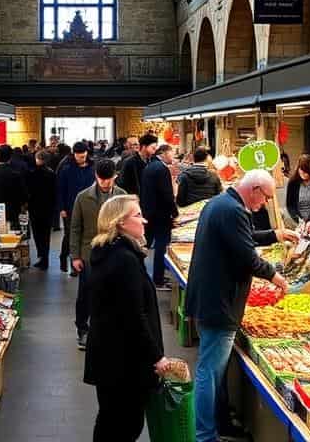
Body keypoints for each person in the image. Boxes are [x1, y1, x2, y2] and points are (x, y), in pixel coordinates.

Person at [186, 170, 297, 442]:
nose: (264, 203)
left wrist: (274, 234)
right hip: (220, 303)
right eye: (266, 197)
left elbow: (240, 237)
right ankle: (205, 435)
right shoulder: (234, 210)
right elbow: (247, 256)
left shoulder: (220, 203)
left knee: (213, 372)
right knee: (209, 373)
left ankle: (217, 426)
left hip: (208, 298)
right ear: (255, 189)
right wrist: (276, 277)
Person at [84, 195, 171, 441]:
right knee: (126, 424)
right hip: (124, 362)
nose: (144, 220)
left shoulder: (106, 252)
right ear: (120, 222)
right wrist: (156, 356)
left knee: (109, 420)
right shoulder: (124, 260)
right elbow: (134, 315)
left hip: (109, 356)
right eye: (137, 215)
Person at [70, 159, 126, 349]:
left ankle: (107, 329)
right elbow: (75, 228)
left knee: (112, 293)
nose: (105, 183)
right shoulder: (82, 197)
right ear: (96, 176)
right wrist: (75, 256)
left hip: (115, 252)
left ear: (115, 177)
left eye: (108, 179)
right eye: (101, 179)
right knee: (86, 293)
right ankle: (83, 329)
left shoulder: (122, 196)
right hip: (89, 253)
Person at [141, 143, 178, 288]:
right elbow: (167, 194)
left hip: (149, 212)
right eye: (171, 153)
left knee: (145, 244)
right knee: (161, 246)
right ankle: (158, 279)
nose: (173, 156)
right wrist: (174, 213)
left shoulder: (150, 166)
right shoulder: (162, 169)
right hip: (161, 214)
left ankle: (139, 275)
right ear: (163, 153)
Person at [58, 141, 95, 274]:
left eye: (84, 156)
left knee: (85, 235)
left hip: (89, 207)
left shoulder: (93, 168)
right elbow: (60, 190)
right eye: (79, 156)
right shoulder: (66, 169)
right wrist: (61, 208)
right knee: (70, 235)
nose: (82, 158)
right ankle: (65, 258)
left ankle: (79, 264)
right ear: (74, 155)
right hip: (70, 208)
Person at [27, 150, 56, 269]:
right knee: (46, 235)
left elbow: (28, 191)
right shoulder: (52, 174)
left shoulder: (31, 173)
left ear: (37, 159)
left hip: (34, 208)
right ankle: (45, 258)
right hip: (48, 209)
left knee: (37, 234)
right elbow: (54, 192)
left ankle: (41, 256)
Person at [286, 154, 310, 234]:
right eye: (301, 170)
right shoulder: (293, 183)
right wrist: (298, 219)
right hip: (299, 223)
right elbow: (290, 205)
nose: (303, 173)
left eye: (306, 172)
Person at [120, 133, 157, 197]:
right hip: (135, 198)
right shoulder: (130, 162)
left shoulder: (153, 160)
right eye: (153, 148)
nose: (155, 150)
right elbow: (123, 183)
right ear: (144, 147)